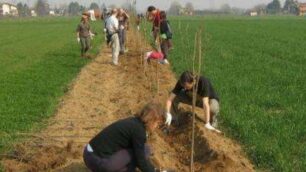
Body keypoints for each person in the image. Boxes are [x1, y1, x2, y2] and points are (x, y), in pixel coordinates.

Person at [83, 103, 168, 172]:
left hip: (89, 154)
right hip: (97, 161)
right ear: (151, 120)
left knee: (144, 150)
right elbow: (141, 161)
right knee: (143, 151)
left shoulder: (134, 122)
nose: (157, 126)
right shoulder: (139, 131)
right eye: (157, 123)